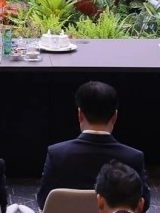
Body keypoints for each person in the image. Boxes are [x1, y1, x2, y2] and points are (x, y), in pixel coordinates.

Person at [36, 81, 149, 210]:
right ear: (115, 116)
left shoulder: (56, 154)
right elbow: (144, 205)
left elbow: (43, 201)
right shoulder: (133, 157)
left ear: (80, 115)